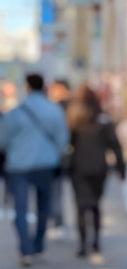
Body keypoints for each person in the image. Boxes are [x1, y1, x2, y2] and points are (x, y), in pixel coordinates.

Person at [0, 73, 69, 266]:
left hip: (19, 166)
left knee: (20, 208)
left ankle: (25, 249)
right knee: (43, 207)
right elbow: (63, 140)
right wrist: (52, 155)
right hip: (46, 165)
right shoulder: (55, 111)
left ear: (27, 87)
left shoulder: (16, 112)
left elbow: (2, 140)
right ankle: (38, 244)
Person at [66, 87, 125, 257]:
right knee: (95, 205)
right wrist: (121, 166)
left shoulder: (75, 119)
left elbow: (68, 144)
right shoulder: (104, 120)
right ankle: (96, 241)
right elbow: (115, 144)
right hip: (99, 167)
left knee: (81, 206)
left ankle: (83, 244)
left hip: (79, 167)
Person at [47, 78, 72, 238]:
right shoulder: (51, 108)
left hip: (59, 156)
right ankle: (56, 221)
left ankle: (57, 222)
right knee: (54, 192)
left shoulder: (64, 109)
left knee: (56, 191)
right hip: (54, 156)